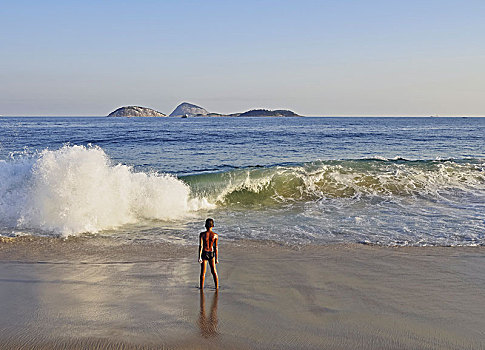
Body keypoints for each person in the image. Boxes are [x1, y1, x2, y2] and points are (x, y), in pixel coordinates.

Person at [198, 218, 219, 289]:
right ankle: (216, 287)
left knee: (203, 272)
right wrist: (216, 258)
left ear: (205, 225)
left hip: (204, 253)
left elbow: (201, 246)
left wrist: (199, 257)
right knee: (214, 271)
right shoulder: (215, 235)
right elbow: (216, 247)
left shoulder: (202, 234)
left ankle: (201, 287)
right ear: (212, 226)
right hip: (211, 253)